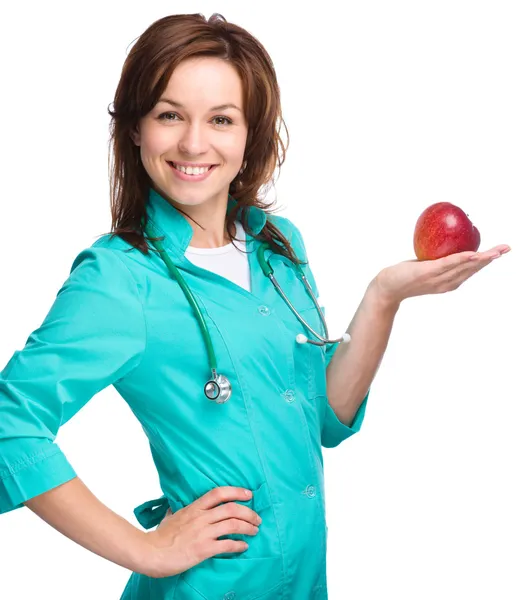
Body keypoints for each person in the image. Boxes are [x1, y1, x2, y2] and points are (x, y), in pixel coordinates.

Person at [0, 12, 510, 600]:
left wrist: (384, 297)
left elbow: (320, 418)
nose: (194, 143)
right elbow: (11, 424)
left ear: (251, 134)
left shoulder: (278, 245)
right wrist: (143, 547)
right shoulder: (119, 280)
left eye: (221, 119)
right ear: (136, 127)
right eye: (170, 115)